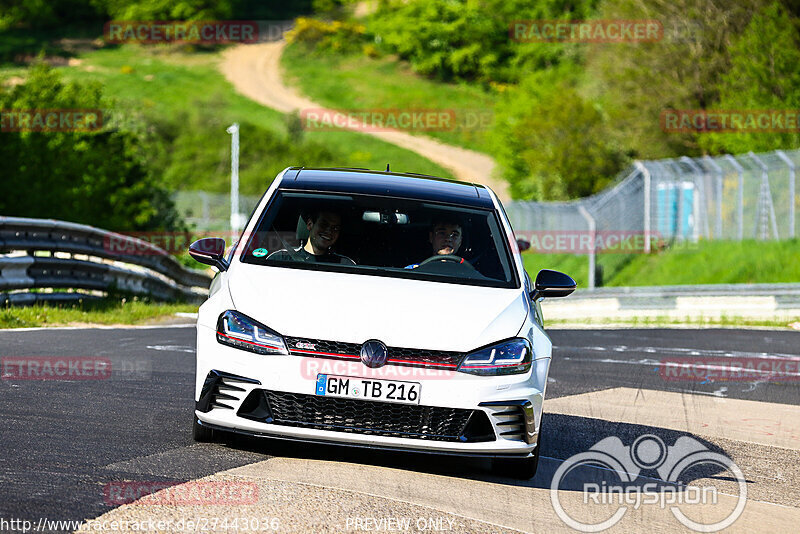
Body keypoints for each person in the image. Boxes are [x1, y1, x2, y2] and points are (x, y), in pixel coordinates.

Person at [266, 210, 356, 265]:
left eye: (335, 228)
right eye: (323, 224)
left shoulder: (344, 264)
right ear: (310, 224)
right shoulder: (280, 258)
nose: (329, 231)